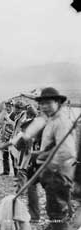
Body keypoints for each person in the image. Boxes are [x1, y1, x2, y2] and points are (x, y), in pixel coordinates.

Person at [35, 87, 76, 230]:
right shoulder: (52, 120)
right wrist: (38, 157)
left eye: (48, 103)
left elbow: (67, 151)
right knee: (57, 214)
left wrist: (46, 167)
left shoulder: (61, 122)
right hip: (54, 174)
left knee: (57, 215)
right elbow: (52, 147)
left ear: (58, 102)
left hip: (58, 174)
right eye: (42, 103)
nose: (44, 107)